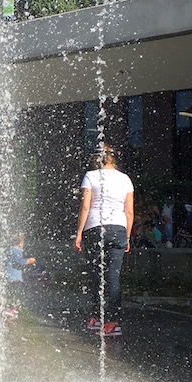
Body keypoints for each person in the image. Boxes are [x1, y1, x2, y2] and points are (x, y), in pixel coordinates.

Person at [74, 144, 134, 337]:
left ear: (97, 159)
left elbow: (85, 206)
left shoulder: (91, 176)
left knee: (95, 274)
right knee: (113, 277)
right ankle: (114, 322)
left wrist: (79, 232)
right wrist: (127, 236)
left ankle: (95, 318)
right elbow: (129, 211)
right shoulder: (125, 179)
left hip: (95, 228)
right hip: (119, 228)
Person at [5, 231, 36, 319]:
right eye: (23, 243)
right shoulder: (17, 250)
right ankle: (13, 311)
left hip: (9, 277)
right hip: (16, 278)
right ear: (20, 243)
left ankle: (9, 309)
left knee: (11, 294)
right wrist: (30, 261)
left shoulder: (8, 249)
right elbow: (20, 261)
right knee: (17, 295)